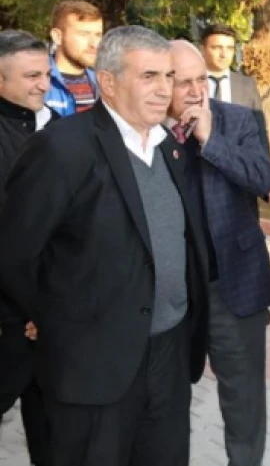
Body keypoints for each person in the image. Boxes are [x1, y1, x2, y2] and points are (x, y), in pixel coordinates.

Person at [0, 25, 210, 465]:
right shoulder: (62, 149)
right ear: (108, 82)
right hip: (92, 367)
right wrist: (49, 316)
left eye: (168, 76)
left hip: (167, 359)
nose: (163, 89)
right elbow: (14, 252)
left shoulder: (169, 147)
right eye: (149, 76)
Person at [167, 40, 270, 466]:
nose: (197, 91)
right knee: (165, 397)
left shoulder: (236, 120)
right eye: (184, 82)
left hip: (233, 283)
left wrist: (210, 139)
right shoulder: (147, 131)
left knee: (244, 400)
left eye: (202, 80)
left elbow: (263, 177)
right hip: (171, 293)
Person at [0, 30, 57, 466]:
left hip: (52, 321)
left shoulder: (62, 132)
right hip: (8, 319)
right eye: (32, 75)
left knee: (53, 436)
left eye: (47, 74)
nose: (44, 84)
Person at [199, 23, 267, 147]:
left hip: (237, 161)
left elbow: (260, 133)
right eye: (216, 47)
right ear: (203, 50)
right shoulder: (192, 84)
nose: (224, 54)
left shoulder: (247, 86)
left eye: (229, 48)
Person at [45, 0, 103, 116]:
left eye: (98, 35)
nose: (94, 44)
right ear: (57, 37)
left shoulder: (103, 83)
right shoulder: (38, 83)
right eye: (83, 34)